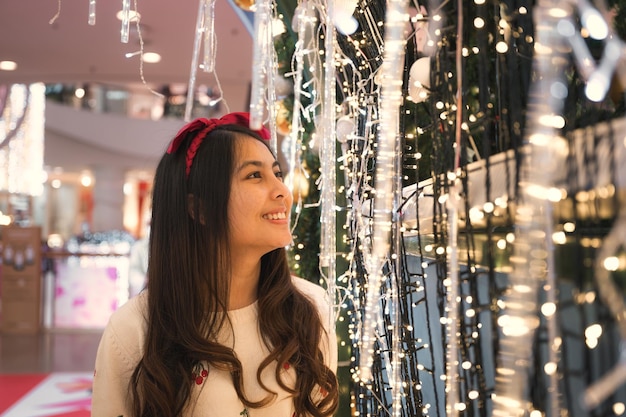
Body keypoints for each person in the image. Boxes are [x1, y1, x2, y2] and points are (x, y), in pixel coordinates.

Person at [91, 112, 339, 417]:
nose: (282, 192)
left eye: (277, 174)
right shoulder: (134, 330)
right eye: (254, 176)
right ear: (200, 208)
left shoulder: (310, 308)